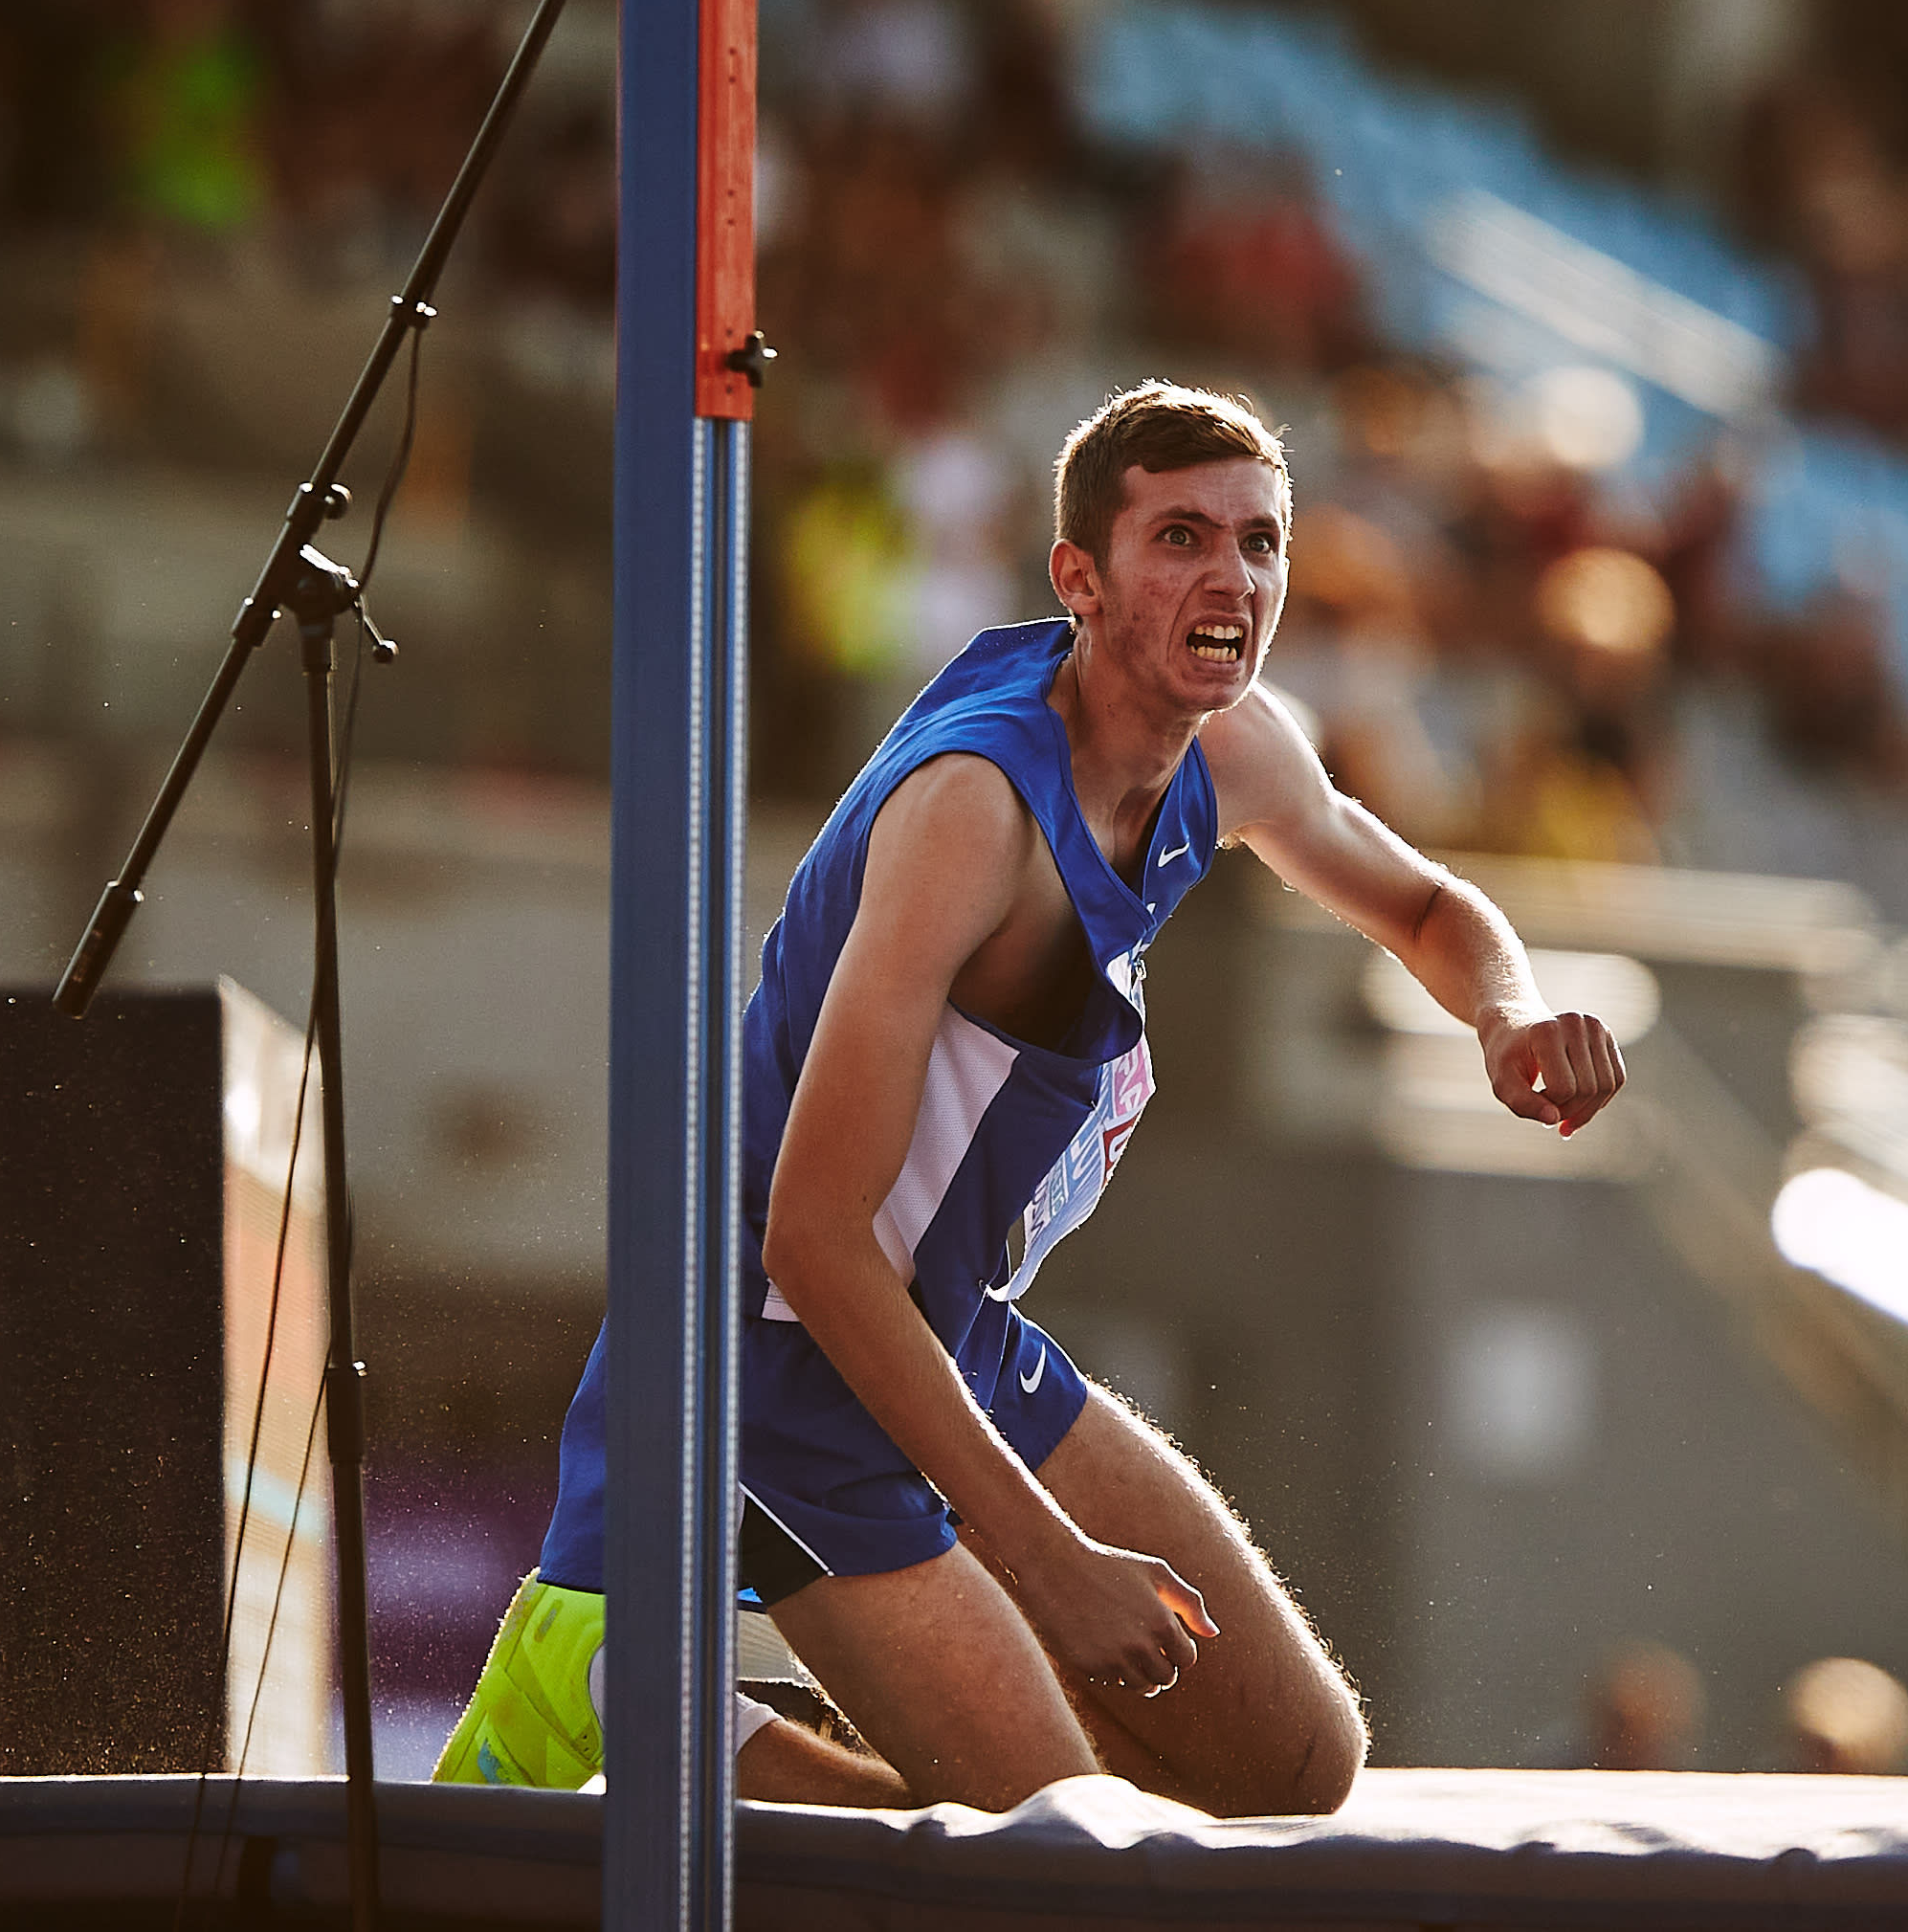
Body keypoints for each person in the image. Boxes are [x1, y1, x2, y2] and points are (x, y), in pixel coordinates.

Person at [433, 379, 1629, 1813]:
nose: (1232, 578)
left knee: (1294, 1767)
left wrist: (1508, 1016)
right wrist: (1049, 1560)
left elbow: (1433, 907)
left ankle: (724, 1744)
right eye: (1181, 536)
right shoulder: (972, 816)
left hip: (942, 1324)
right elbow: (811, 1244)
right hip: (766, 1365)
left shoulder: (1237, 748)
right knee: (1072, 1865)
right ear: (1080, 577)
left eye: (1261, 542)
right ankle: (632, 1695)